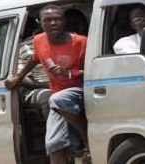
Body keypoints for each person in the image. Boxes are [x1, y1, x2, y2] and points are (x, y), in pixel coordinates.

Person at [5, 4, 88, 164]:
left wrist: (69, 74)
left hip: (79, 91)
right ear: (41, 23)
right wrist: (18, 78)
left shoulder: (81, 42)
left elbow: (93, 72)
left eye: (57, 19)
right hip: (56, 96)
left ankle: (85, 137)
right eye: (47, 20)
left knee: (56, 99)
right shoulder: (38, 40)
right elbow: (34, 59)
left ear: (64, 21)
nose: (53, 23)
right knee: (53, 144)